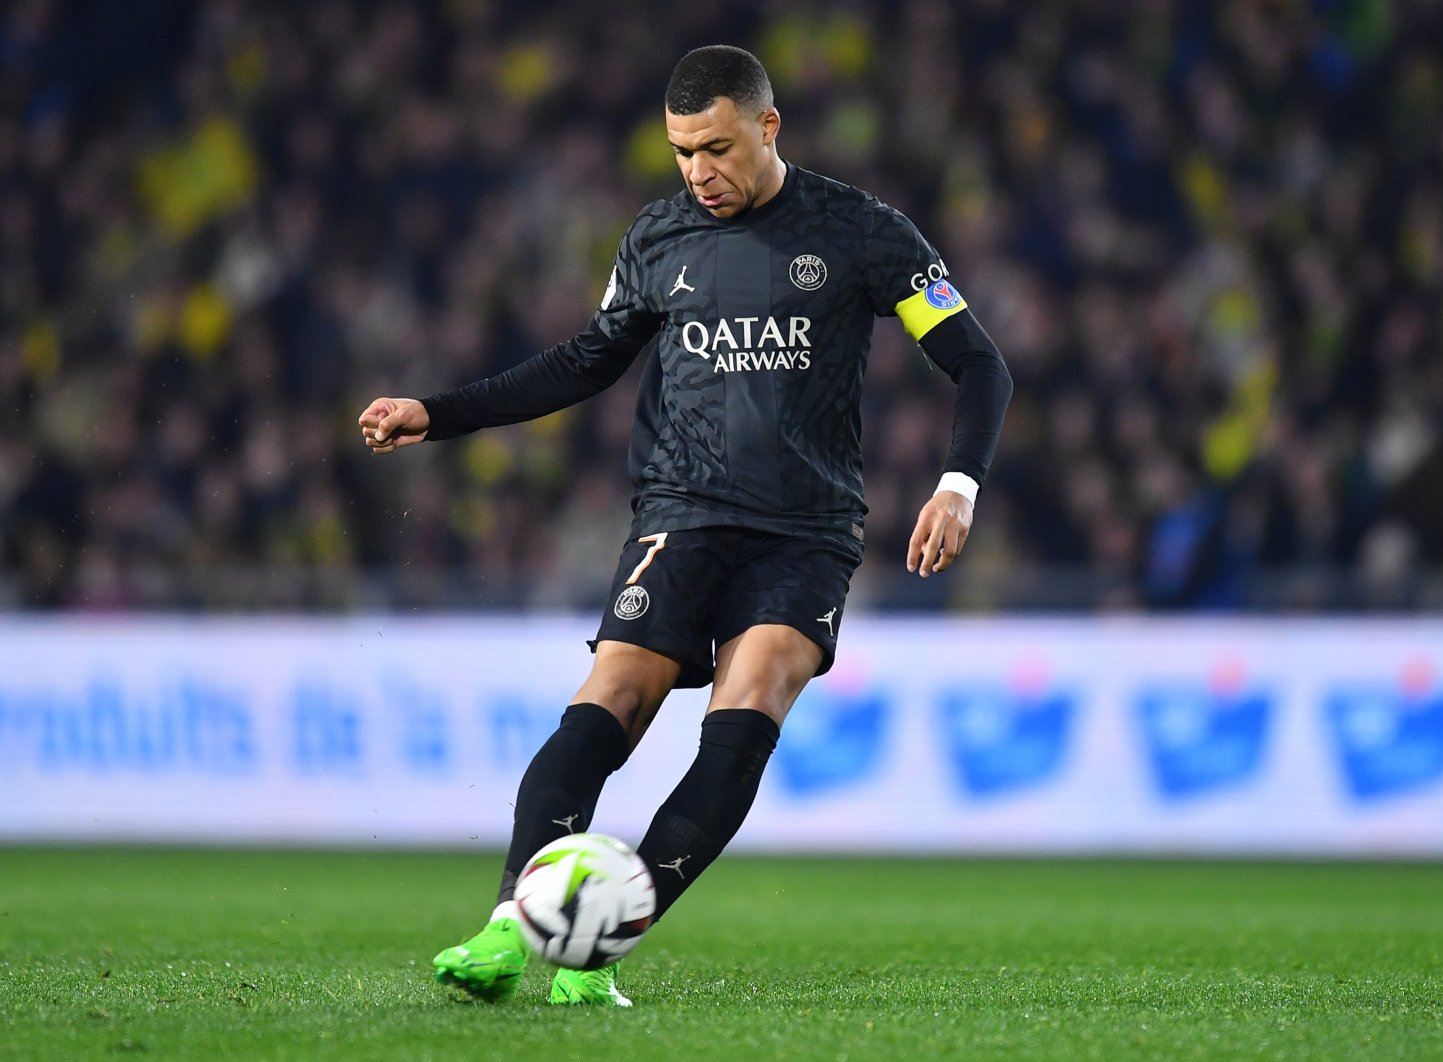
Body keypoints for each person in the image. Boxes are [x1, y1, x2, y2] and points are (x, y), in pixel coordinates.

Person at [358, 44, 1011, 1006]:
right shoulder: (659, 239)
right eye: (680, 153)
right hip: (683, 511)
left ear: (768, 126)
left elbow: (980, 363)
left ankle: (597, 945)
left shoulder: (863, 233)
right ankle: (509, 926)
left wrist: (958, 482)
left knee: (745, 714)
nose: (698, 173)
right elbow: (585, 362)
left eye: (715, 147)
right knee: (614, 696)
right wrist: (437, 411)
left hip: (805, 532)